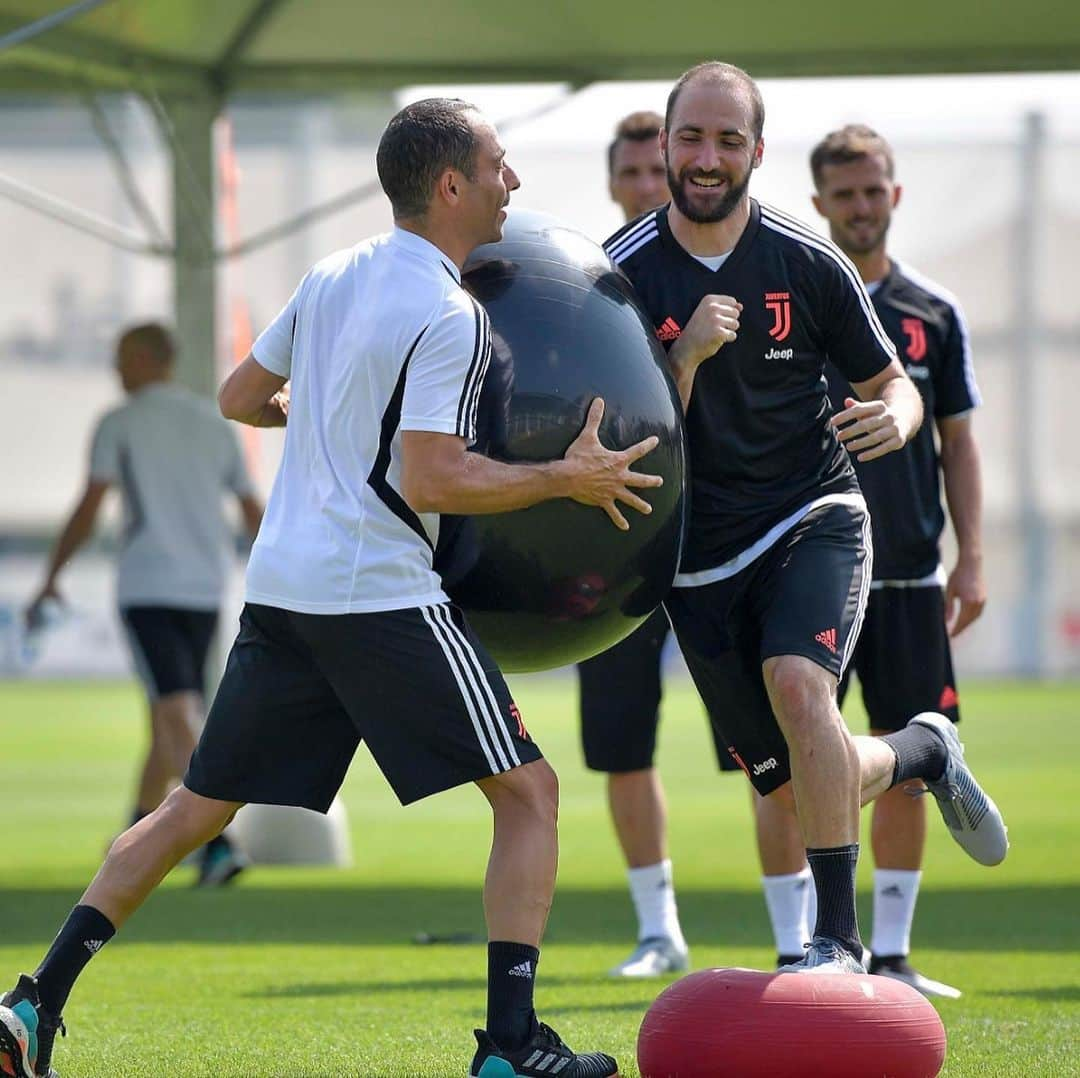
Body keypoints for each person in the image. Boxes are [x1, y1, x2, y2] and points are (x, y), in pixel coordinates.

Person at [0, 97, 663, 1078]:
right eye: (498, 165)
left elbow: (238, 397)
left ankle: (26, 1008)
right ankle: (513, 1048)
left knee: (192, 809)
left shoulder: (333, 272)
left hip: (284, 590)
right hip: (379, 596)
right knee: (529, 793)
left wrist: (328, 419)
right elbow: (433, 478)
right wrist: (569, 477)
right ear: (450, 186)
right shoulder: (451, 314)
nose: (512, 182)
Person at [604, 61, 1007, 976]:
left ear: (756, 151)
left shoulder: (806, 261)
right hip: (695, 563)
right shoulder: (618, 278)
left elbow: (897, 387)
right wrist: (690, 356)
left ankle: (835, 943)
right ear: (665, 145)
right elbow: (625, 429)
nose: (709, 158)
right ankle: (920, 751)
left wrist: (894, 421)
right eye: (693, 138)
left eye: (729, 140)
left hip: (811, 516)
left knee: (800, 686)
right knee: (792, 784)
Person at [751, 124, 985, 996]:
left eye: (872, 189)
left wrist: (973, 559)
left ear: (895, 193)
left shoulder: (934, 316)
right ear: (818, 203)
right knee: (779, 763)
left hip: (909, 575)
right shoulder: (800, 295)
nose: (860, 205)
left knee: (905, 777)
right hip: (802, 562)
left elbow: (959, 444)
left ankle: (889, 953)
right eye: (843, 194)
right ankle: (791, 946)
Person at [584, 109, 741, 978]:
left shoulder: (744, 267)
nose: (651, 186)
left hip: (725, 538)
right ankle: (659, 929)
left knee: (766, 741)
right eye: (636, 174)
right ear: (617, 184)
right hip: (624, 549)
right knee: (621, 743)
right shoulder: (595, 284)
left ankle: (802, 933)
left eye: (660, 170)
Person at [25, 322, 260, 888]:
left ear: (153, 359)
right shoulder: (213, 421)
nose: (116, 369)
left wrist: (52, 575)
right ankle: (138, 832)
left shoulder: (120, 422)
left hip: (148, 587)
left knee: (175, 708)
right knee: (170, 712)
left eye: (123, 358)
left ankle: (221, 842)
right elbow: (253, 510)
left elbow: (89, 505)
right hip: (205, 586)